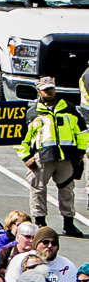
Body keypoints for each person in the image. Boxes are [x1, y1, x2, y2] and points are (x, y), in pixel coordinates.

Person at [28, 84, 87, 236]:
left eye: (51, 89)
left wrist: (80, 151)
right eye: (46, 90)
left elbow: (82, 132)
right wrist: (27, 157)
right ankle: (40, 223)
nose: (49, 92)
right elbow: (22, 138)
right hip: (42, 157)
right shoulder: (33, 113)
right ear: (39, 92)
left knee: (67, 191)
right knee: (38, 189)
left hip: (65, 158)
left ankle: (69, 224)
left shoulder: (69, 109)